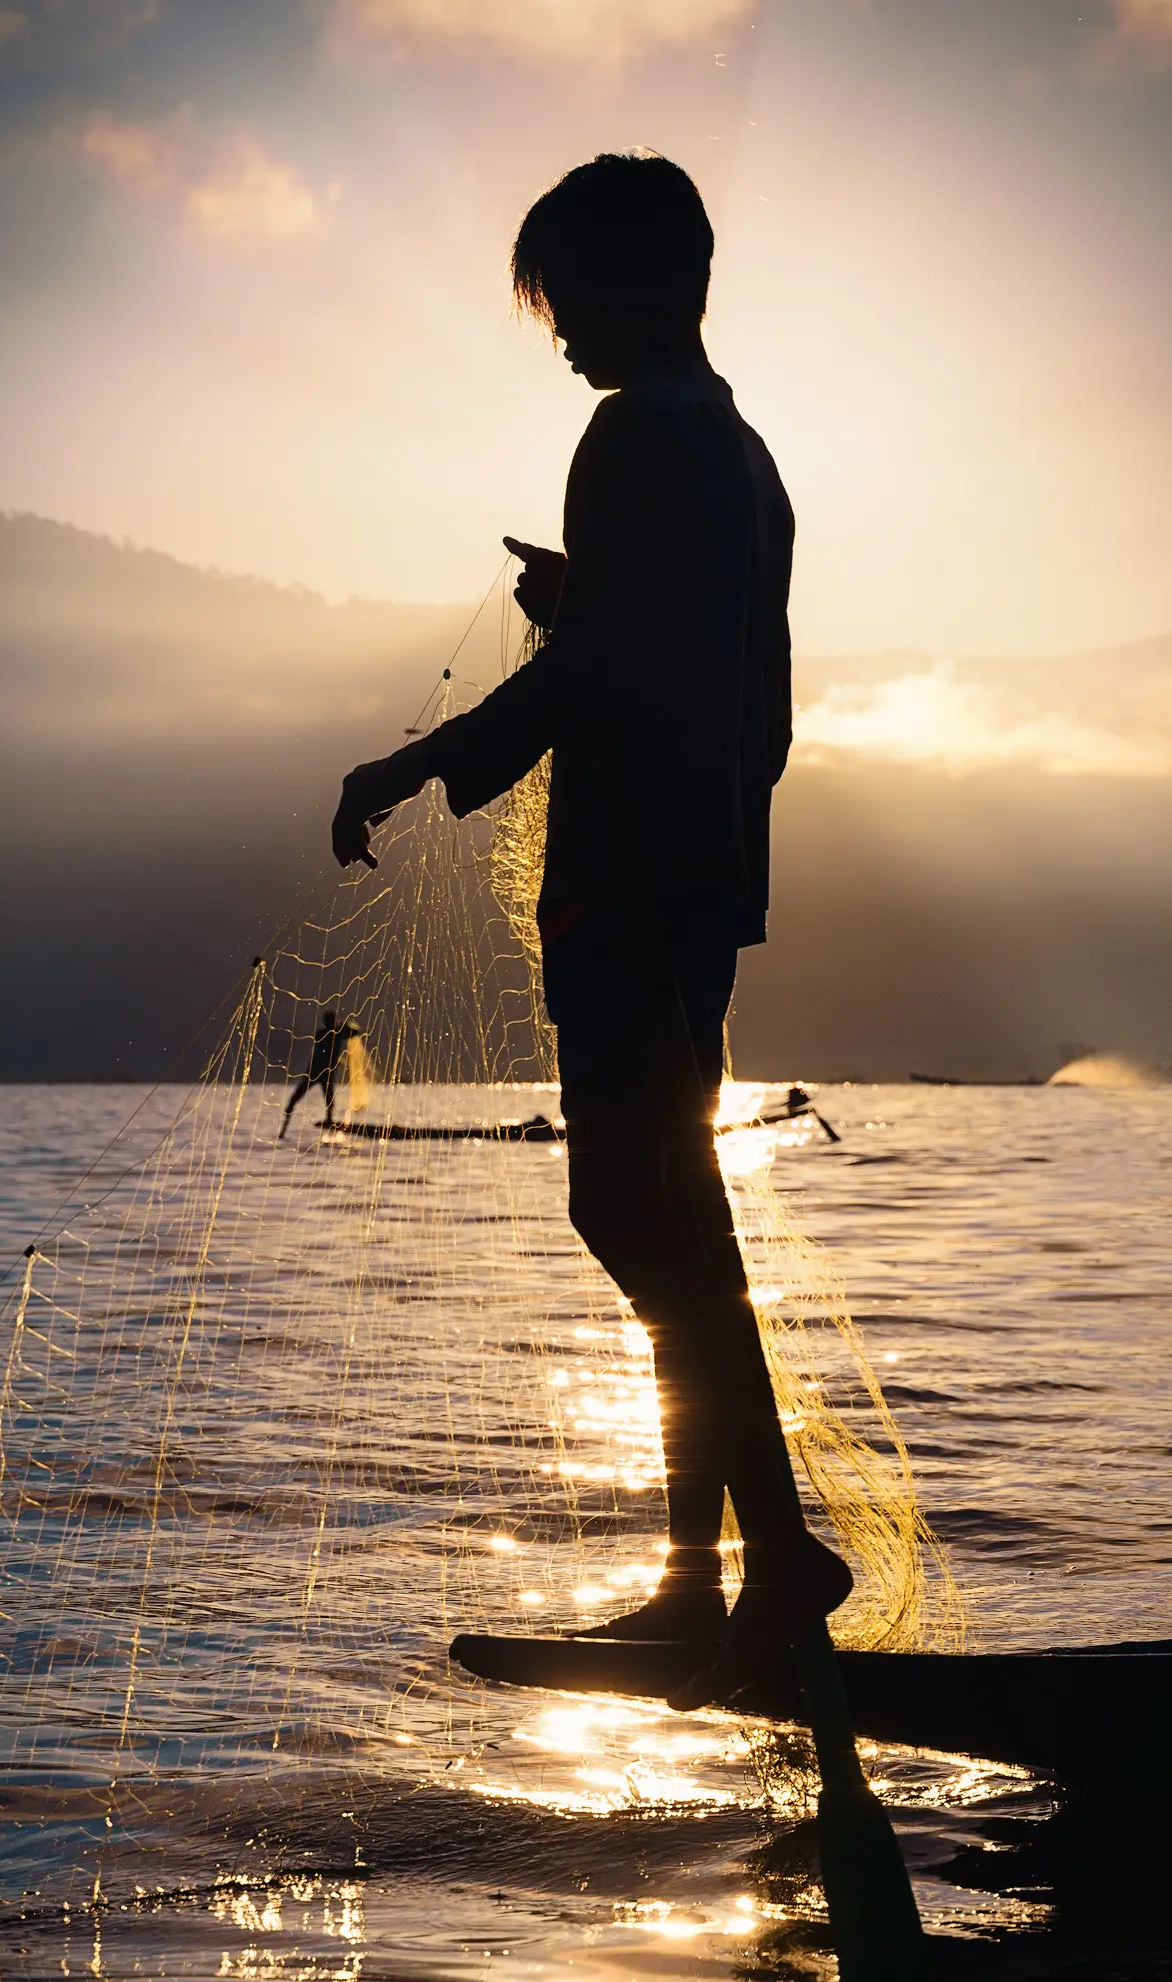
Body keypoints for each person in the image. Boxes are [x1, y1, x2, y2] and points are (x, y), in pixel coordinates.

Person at [330, 151, 850, 1709]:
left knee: (632, 1214)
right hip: (707, 877)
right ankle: (712, 1580)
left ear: (641, 286)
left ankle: (769, 1558)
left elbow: (606, 676)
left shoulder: (630, 437)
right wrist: (591, 607)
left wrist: (420, 761)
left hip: (629, 873)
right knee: (679, 1218)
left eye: (565, 298)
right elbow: (716, 669)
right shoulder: (741, 452)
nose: (555, 334)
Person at [281, 1007, 358, 1136]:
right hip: (316, 1071)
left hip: (321, 1072)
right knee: (298, 1098)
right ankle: (283, 1129)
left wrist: (344, 1026)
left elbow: (355, 1032)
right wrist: (344, 1026)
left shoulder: (333, 1032)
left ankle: (328, 1121)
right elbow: (353, 1032)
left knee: (328, 1099)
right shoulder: (329, 1033)